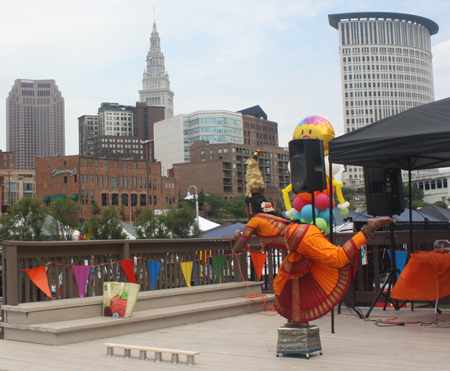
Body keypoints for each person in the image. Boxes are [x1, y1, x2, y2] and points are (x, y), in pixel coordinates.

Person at [235, 151, 395, 326]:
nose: (245, 211)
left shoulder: (255, 220)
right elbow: (267, 246)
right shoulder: (270, 220)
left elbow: (237, 249)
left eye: (245, 207)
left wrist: (238, 240)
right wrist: (249, 248)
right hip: (300, 241)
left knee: (339, 257)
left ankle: (368, 229)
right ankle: (298, 318)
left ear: (250, 207)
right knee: (286, 280)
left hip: (301, 238)